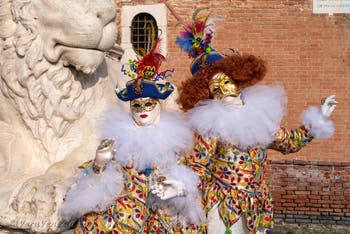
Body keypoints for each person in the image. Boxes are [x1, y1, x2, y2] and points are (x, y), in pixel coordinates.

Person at [176, 10, 337, 234]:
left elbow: (289, 143)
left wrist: (319, 118)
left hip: (256, 207)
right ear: (207, 93)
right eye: (215, 87)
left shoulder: (260, 118)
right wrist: (180, 184)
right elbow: (198, 166)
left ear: (237, 80)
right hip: (223, 206)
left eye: (226, 82)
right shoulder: (211, 126)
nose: (223, 90)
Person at [61, 39, 205, 233]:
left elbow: (194, 175)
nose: (142, 109)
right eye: (136, 105)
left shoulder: (176, 140)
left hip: (162, 213)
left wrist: (178, 189)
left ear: (158, 105)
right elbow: (97, 180)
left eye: (148, 104)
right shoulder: (118, 139)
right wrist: (99, 164)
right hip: (125, 214)